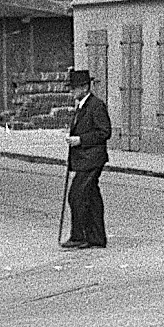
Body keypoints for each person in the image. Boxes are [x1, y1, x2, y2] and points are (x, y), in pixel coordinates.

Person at [61, 68, 111, 249]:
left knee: (77, 196)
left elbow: (105, 132)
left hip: (92, 159)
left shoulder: (96, 105)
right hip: (85, 158)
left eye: (74, 88)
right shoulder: (82, 106)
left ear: (84, 87)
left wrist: (80, 140)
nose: (71, 91)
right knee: (91, 197)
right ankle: (96, 237)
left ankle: (79, 236)